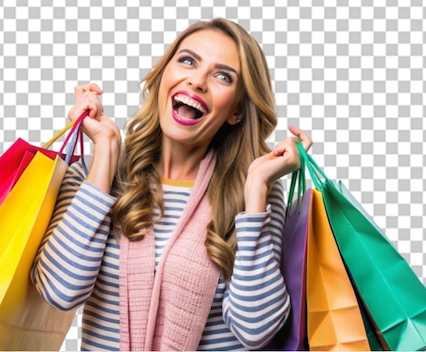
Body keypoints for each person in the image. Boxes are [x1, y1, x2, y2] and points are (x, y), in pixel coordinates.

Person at [31, 18, 313, 351]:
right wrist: (106, 148)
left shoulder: (257, 194)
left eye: (222, 76)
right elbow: (60, 291)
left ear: (236, 110)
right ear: (164, 76)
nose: (197, 81)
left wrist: (255, 188)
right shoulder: (93, 176)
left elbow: (255, 330)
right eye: (188, 61)